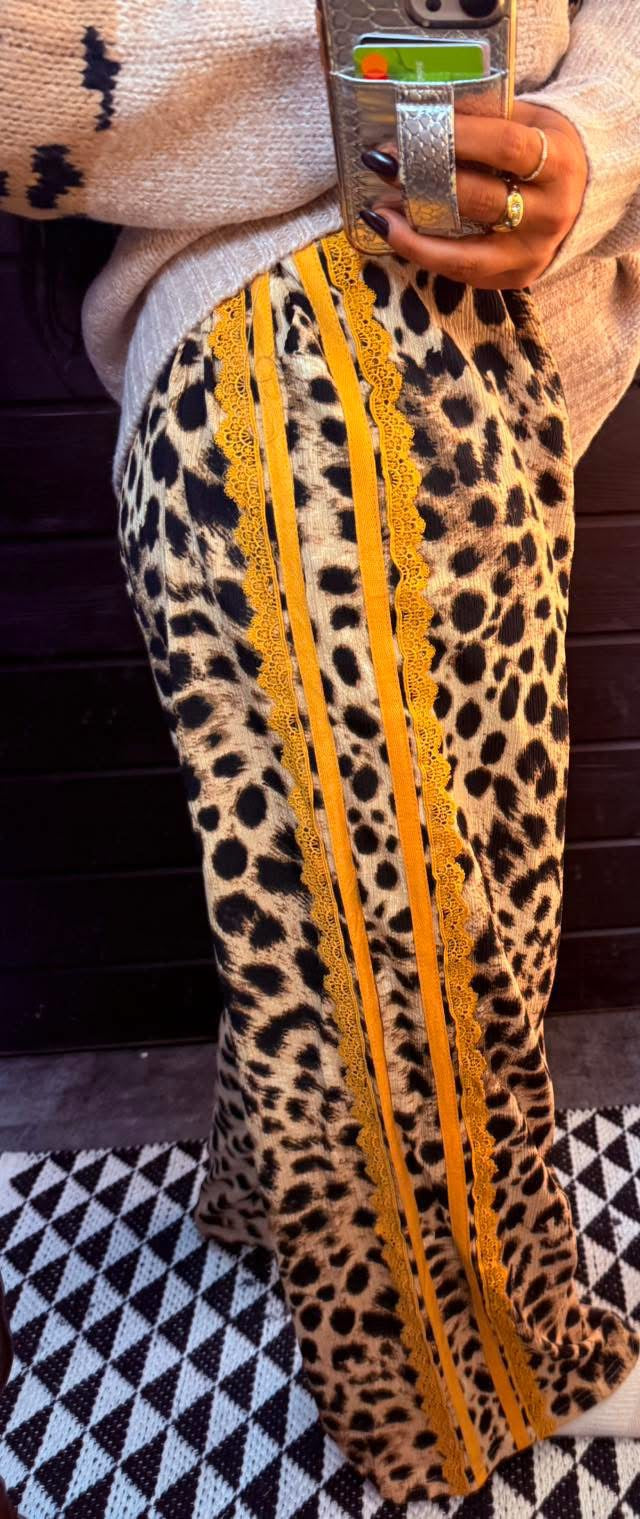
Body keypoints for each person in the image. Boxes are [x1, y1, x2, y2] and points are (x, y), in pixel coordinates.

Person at [2, 0, 640, 1504]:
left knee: (405, 885)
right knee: (411, 931)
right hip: (286, 349)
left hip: (515, 354)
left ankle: (270, 1194)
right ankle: (482, 1378)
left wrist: (585, 139)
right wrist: (342, 97)